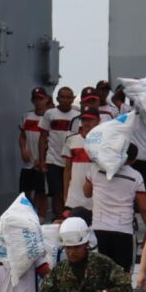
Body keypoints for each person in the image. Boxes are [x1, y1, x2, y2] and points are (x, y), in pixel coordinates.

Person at [84, 144, 146, 273]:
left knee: (100, 274)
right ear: (133, 160)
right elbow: (144, 208)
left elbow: (86, 193)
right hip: (123, 231)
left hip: (99, 229)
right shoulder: (136, 176)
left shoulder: (96, 169)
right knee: (122, 275)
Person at [38, 86, 77, 217]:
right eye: (63, 97)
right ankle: (59, 217)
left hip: (70, 161)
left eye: (68, 97)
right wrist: (42, 160)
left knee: (70, 191)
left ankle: (68, 217)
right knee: (56, 192)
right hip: (53, 159)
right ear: (57, 99)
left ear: (73, 99)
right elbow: (42, 137)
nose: (65, 100)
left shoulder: (77, 116)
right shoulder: (50, 114)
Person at [19, 86, 51, 220]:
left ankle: (41, 218)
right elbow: (22, 136)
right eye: (36, 99)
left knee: (41, 192)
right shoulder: (27, 116)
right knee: (25, 193)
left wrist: (43, 158)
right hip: (28, 163)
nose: (38, 102)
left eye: (41, 99)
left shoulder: (49, 117)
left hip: (42, 162)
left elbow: (51, 139)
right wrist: (23, 150)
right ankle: (29, 216)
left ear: (46, 100)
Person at [61, 109, 98, 220]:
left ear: (98, 121)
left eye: (90, 119)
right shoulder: (71, 140)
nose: (86, 122)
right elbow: (67, 169)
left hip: (96, 198)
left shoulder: (104, 141)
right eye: (84, 119)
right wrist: (65, 194)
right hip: (74, 198)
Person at [116, 85, 146, 185]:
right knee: (128, 187)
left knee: (143, 187)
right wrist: (124, 86)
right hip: (129, 157)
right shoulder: (126, 109)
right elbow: (115, 99)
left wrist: (134, 86)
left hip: (144, 157)